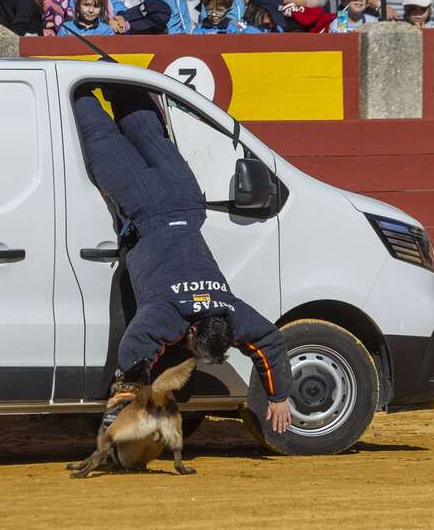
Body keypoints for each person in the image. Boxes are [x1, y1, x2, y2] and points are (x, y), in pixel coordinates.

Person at [72, 89, 293, 434]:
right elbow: (134, 346)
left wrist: (280, 396)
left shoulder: (231, 310)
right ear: (190, 330)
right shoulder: (170, 314)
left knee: (145, 129)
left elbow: (271, 341)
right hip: (143, 205)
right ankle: (77, 90)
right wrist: (131, 392)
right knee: (101, 137)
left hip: (187, 200)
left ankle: (115, 75)